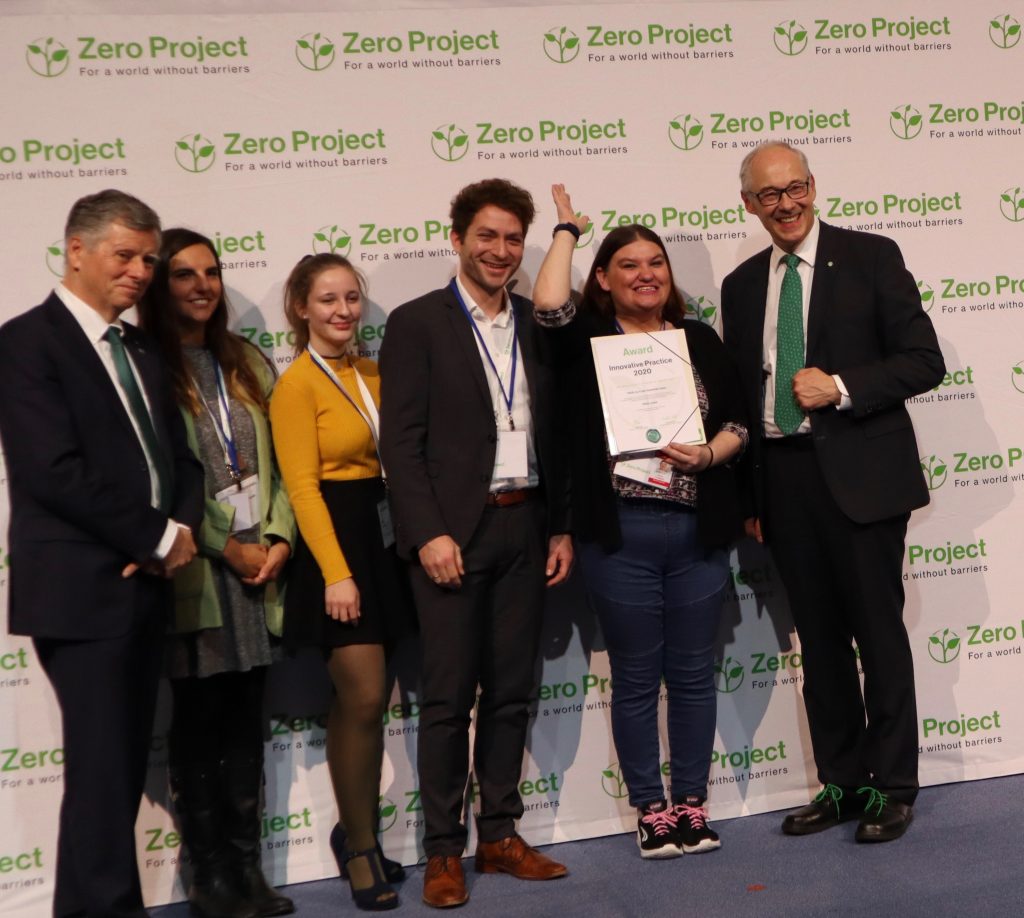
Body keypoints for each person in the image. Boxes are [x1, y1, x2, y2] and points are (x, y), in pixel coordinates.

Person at [720, 141, 945, 843]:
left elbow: (923, 360)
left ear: (813, 188)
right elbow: (740, 393)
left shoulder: (871, 256)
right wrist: (751, 498)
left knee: (878, 638)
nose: (785, 204)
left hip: (862, 479)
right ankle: (843, 783)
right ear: (748, 204)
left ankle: (893, 787)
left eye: (795, 189)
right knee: (818, 646)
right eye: (769, 195)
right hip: (781, 481)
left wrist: (841, 388)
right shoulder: (741, 284)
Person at [0, 190, 204, 917]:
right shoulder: (25, 342)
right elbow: (50, 471)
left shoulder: (144, 346)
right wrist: (151, 537)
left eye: (149, 258)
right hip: (79, 592)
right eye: (126, 255)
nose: (142, 271)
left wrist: (176, 535)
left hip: (145, 583)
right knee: (100, 773)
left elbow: (182, 461)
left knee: (114, 774)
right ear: (75, 250)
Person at [532, 185, 747, 858]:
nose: (646, 273)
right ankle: (650, 809)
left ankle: (692, 803)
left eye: (656, 262)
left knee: (691, 675)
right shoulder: (586, 341)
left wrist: (710, 452)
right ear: (602, 278)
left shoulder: (700, 339)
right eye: (628, 263)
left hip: (696, 530)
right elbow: (545, 304)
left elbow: (740, 423)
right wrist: (565, 228)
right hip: (618, 533)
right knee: (634, 676)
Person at [379, 178, 573, 909]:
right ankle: (441, 852)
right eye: (486, 237)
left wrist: (560, 525)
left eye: (513, 239)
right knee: (447, 700)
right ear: (457, 238)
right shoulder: (416, 322)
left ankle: (498, 835)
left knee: (513, 691)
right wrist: (426, 530)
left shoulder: (537, 322)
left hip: (528, 525)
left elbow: (556, 430)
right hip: (453, 535)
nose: (500, 251)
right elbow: (400, 441)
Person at [137, 228, 296, 918]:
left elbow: (290, 466)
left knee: (244, 722)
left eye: (211, 272)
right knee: (199, 722)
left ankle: (247, 868)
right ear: (156, 285)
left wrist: (281, 538)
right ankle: (208, 876)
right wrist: (224, 546)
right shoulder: (144, 368)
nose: (202, 285)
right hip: (197, 574)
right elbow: (153, 480)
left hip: (261, 576)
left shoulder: (248, 363)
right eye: (183, 274)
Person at [270, 253, 413, 911]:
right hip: (337, 545)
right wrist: (336, 573)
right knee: (359, 699)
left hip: (383, 538)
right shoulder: (295, 385)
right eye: (327, 299)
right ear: (301, 307)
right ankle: (357, 848)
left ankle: (362, 834)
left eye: (352, 299)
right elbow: (301, 488)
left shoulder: (372, 372)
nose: (342, 311)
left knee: (376, 700)